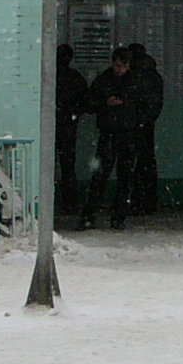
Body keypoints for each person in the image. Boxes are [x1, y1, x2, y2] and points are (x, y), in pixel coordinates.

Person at [79, 47, 141, 231]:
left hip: (125, 133)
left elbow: (144, 105)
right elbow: (89, 102)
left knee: (123, 177)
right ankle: (93, 215)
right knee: (102, 177)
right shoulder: (107, 80)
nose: (119, 70)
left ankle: (117, 216)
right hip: (112, 133)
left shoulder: (132, 81)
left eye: (123, 66)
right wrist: (105, 104)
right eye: (117, 65)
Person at [126, 43, 165, 216]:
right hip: (147, 125)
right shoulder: (153, 75)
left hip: (133, 125)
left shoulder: (135, 75)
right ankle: (148, 202)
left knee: (133, 163)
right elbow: (155, 103)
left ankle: (136, 201)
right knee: (147, 162)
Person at [55, 44, 90, 213]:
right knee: (68, 166)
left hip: (54, 125)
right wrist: (74, 114)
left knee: (50, 165)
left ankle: (52, 202)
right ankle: (69, 202)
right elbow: (86, 101)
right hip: (68, 125)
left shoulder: (49, 76)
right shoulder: (75, 78)